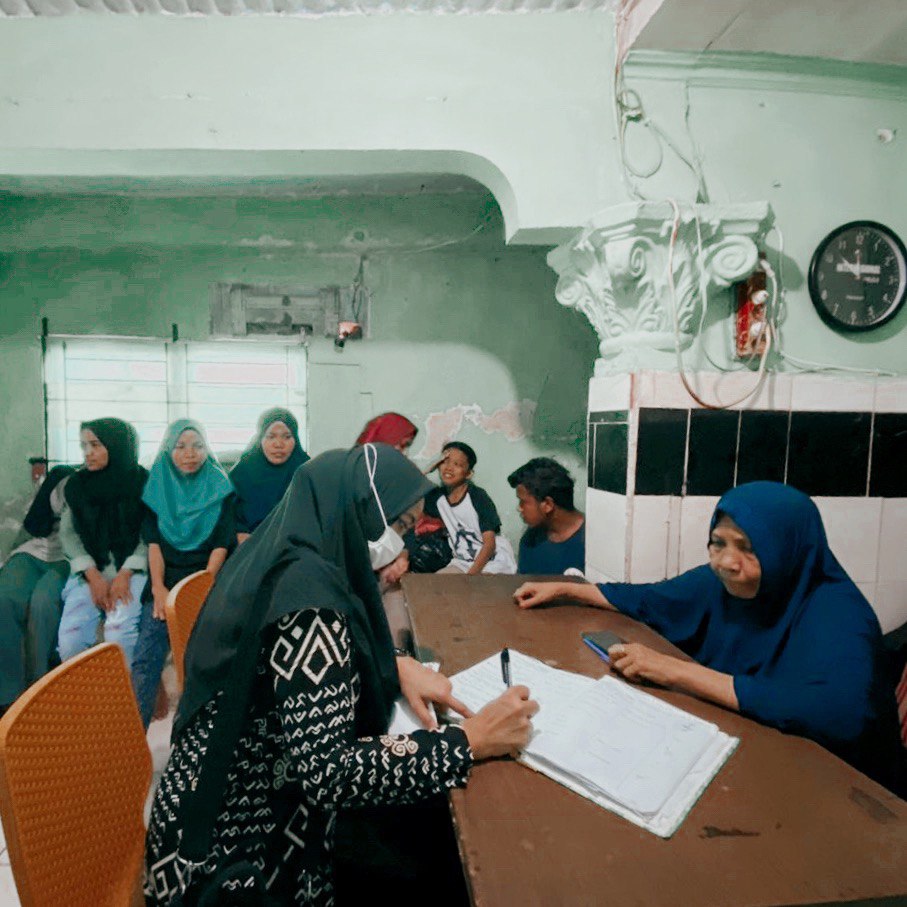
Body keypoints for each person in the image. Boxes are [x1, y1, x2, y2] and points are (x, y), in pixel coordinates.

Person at [144, 443, 537, 906]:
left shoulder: (288, 551)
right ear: (357, 514)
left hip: (210, 794)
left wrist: (391, 662)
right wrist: (468, 741)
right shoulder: (310, 603)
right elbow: (328, 772)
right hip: (237, 845)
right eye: (398, 526)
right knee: (436, 854)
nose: (400, 547)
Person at [514, 481, 903, 793]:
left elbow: (840, 714)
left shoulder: (838, 614)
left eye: (749, 548)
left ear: (787, 550)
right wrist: (566, 589)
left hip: (842, 789)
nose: (727, 562)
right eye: (719, 542)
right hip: (753, 761)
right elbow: (650, 599)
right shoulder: (719, 582)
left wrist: (675, 671)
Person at [130, 419, 235, 728]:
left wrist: (203, 586)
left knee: (207, 657)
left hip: (206, 579)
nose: (190, 454)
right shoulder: (156, 487)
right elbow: (153, 545)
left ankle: (201, 735)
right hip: (166, 579)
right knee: (146, 656)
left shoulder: (220, 486)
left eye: (198, 446)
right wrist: (159, 589)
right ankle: (134, 739)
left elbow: (222, 543)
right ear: (168, 449)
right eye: (181, 446)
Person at [57, 418, 148, 668]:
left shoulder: (142, 482)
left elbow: (149, 535)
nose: (88, 453)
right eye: (84, 446)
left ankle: (124, 692)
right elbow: (68, 535)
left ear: (116, 446)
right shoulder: (76, 486)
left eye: (95, 445)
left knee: (118, 632)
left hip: (133, 569)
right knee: (71, 638)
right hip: (89, 570)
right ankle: (83, 692)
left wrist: (125, 573)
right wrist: (92, 575)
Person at [0, 464, 77, 712]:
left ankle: (39, 689)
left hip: (67, 558)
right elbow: (29, 529)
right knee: (4, 599)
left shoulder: (93, 489)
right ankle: (7, 696)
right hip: (32, 551)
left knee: (43, 602)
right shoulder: (54, 484)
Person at [425, 441, 516, 575]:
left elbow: (489, 544)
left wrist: (470, 577)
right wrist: (428, 468)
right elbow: (409, 494)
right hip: (463, 562)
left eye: (457, 464)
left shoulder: (478, 497)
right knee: (435, 583)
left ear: (468, 474)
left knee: (478, 586)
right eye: (444, 462)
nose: (449, 468)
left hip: (492, 560)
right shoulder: (437, 498)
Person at [230, 407, 309, 544]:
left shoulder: (307, 472)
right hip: (249, 545)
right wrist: (242, 538)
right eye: (271, 436)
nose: (278, 444)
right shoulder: (242, 472)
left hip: (294, 545)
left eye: (287, 437)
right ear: (260, 439)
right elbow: (230, 518)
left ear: (295, 439)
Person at [507, 457, 585, 575]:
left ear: (548, 504)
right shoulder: (531, 540)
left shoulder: (591, 541)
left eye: (523, 502)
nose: (519, 508)